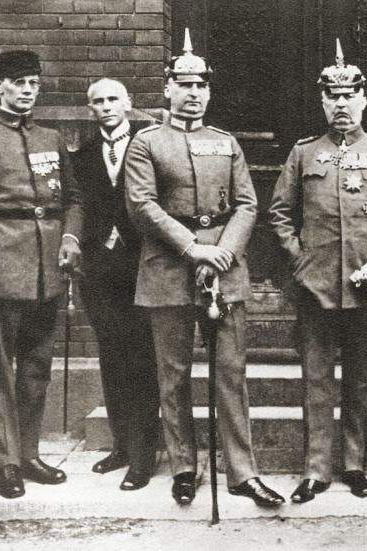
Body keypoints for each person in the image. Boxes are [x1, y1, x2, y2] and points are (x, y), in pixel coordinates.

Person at [124, 29, 285, 507]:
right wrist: (194, 248)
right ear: (167, 88)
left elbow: (247, 205)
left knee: (230, 373)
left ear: (209, 91)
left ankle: (242, 470)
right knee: (172, 375)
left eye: (201, 86)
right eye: (184, 84)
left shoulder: (226, 143)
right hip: (168, 268)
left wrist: (224, 253)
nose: (193, 94)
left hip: (225, 269)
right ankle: (184, 468)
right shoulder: (146, 143)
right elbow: (142, 205)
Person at [268, 40, 367, 504]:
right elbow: (278, 213)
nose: (341, 104)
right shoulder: (304, 153)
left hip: (365, 287)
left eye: (350, 96)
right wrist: (300, 260)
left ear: (364, 99)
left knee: (357, 378)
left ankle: (354, 463)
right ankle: (316, 470)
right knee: (316, 378)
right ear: (322, 102)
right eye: (333, 97)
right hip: (315, 286)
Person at [0, 50, 83, 499]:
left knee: (36, 367)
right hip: (0, 268)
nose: (27, 90)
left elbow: (74, 201)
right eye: (18, 82)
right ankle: (5, 462)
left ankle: (28, 454)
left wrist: (71, 240)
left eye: (33, 82)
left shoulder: (51, 138)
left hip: (49, 269)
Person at [72, 78, 161, 491]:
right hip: (100, 270)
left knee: (142, 358)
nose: (106, 106)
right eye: (98, 101)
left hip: (143, 264)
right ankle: (122, 445)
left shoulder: (150, 144)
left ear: (128, 103)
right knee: (111, 354)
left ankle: (144, 456)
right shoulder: (83, 155)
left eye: (113, 99)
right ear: (90, 109)